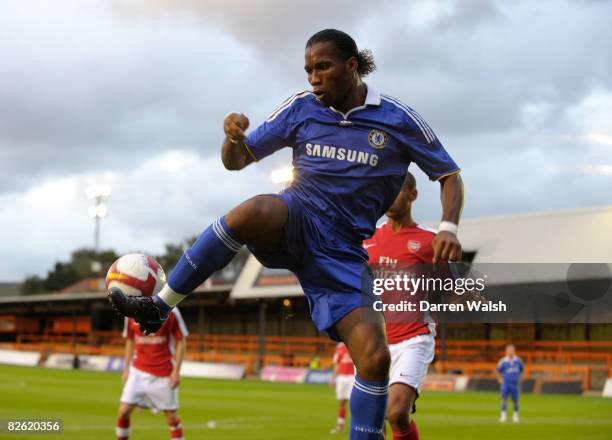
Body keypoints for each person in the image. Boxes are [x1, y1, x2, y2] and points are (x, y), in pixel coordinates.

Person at [109, 29, 463, 439]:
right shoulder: (301, 108)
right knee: (255, 209)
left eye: (323, 67)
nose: (313, 77)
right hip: (298, 217)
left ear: (351, 66)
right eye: (309, 69)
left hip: (344, 252)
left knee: (375, 357)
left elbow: (450, 175)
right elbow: (237, 161)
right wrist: (232, 138)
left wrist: (448, 227)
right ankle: (161, 306)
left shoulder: (397, 118)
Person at [363, 172, 440, 440]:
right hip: (375, 342)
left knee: (396, 412)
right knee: (372, 423)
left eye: (395, 189)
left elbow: (449, 287)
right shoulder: (366, 239)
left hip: (413, 338)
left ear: (412, 195)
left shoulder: (430, 241)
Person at [116, 308, 188, 440]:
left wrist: (176, 371)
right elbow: (130, 340)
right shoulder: (130, 308)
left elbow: (181, 340)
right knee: (123, 411)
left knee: (172, 416)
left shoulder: (170, 309)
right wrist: (126, 369)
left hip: (164, 372)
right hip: (138, 371)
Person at [331, 342, 356, 434]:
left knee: (354, 403)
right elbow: (337, 364)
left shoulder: (355, 344)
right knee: (341, 403)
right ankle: (340, 426)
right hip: (341, 378)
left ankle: (355, 427)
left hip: (353, 377)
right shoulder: (340, 347)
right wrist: (333, 378)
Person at [496, 344, 524, 423]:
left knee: (516, 400)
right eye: (508, 350)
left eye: (511, 350)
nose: (510, 352)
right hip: (506, 383)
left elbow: (522, 371)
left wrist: (521, 379)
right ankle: (503, 415)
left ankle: (515, 415)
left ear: (514, 351)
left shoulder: (518, 361)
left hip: (514, 383)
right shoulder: (503, 361)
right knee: (504, 399)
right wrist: (500, 379)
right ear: (506, 351)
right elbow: (497, 371)